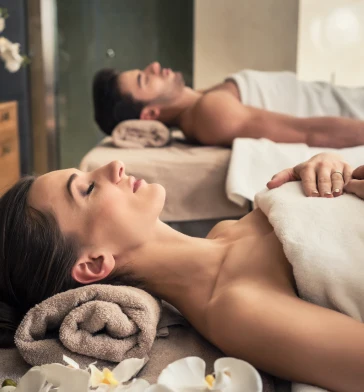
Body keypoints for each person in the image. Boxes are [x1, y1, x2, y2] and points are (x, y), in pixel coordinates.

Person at [1, 152, 364, 391]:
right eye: (88, 188)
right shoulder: (236, 308)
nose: (114, 165)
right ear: (94, 263)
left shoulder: (226, 231)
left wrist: (328, 169)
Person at [92, 62, 364, 148]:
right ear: (150, 113)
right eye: (144, 79)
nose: (153, 66)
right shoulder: (211, 114)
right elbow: (309, 133)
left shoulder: (202, 98)